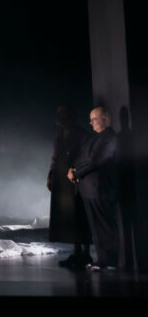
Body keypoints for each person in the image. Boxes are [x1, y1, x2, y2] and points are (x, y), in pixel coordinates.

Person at [68, 105, 119, 270]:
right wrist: (72, 170)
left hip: (100, 189)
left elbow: (95, 160)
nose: (91, 123)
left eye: (94, 119)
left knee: (103, 227)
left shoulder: (109, 137)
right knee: (96, 228)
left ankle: (109, 260)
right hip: (90, 190)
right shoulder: (95, 138)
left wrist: (76, 174)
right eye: (90, 120)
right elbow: (82, 158)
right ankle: (103, 260)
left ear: (105, 118)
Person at [46, 106, 91, 268]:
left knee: (80, 216)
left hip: (76, 179)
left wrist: (77, 173)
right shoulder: (59, 137)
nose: (59, 117)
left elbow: (86, 157)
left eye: (62, 114)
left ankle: (85, 254)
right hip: (61, 180)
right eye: (58, 114)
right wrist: (51, 175)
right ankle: (76, 252)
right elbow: (55, 157)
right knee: (69, 217)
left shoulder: (82, 135)